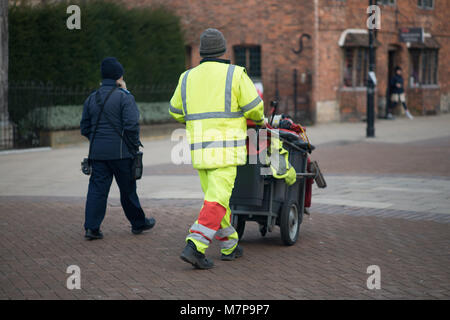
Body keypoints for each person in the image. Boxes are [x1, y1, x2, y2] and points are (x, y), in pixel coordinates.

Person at [169, 28, 265, 269]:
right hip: (226, 151)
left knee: (215, 200)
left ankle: (230, 245)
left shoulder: (186, 77)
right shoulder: (235, 74)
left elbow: (175, 111)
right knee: (217, 202)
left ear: (201, 52)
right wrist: (258, 119)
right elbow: (255, 109)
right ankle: (195, 246)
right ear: (223, 49)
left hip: (200, 151)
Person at [80, 57, 155, 240]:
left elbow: (85, 128)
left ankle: (92, 228)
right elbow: (131, 124)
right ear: (119, 76)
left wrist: (98, 140)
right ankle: (138, 223)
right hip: (122, 154)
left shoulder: (92, 98)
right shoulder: (124, 96)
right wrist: (133, 144)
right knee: (128, 190)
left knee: (97, 190)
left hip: (97, 154)